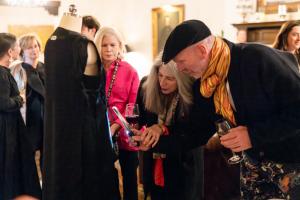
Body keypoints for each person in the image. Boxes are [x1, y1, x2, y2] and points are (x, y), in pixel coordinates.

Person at [162, 19, 300, 199]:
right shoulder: (204, 86)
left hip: (291, 163)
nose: (179, 69)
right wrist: (156, 138)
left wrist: (252, 135)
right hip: (252, 167)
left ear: (202, 50)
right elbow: (197, 133)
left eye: (181, 61)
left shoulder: (257, 58)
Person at [43, 7, 118, 200]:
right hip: (85, 132)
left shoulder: (50, 43)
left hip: (57, 130)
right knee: (88, 184)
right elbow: (94, 98)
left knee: (62, 179)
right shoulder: (83, 45)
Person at [132, 52, 203, 200]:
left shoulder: (194, 93)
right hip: (154, 163)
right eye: (160, 75)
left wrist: (163, 129)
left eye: (170, 79)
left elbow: (189, 133)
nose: (162, 83)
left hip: (183, 165)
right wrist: (138, 135)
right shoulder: (147, 86)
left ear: (181, 79)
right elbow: (142, 121)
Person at [94, 27, 139, 200]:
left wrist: (115, 126)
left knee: (129, 179)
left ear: (120, 46)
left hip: (126, 131)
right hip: (100, 131)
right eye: (104, 45)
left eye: (112, 44)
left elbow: (132, 106)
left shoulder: (130, 71)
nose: (108, 49)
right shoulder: (93, 70)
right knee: (105, 178)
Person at [0, 33, 41, 200]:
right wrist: (20, 99)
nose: (20, 48)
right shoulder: (2, 73)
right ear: (11, 52)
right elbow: (3, 103)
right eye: (18, 46)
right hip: (6, 129)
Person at [10, 33, 45, 172]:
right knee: (27, 159)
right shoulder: (18, 70)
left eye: (35, 46)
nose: (33, 50)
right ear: (22, 51)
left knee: (47, 158)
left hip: (47, 120)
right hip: (28, 121)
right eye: (29, 48)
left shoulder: (45, 68)